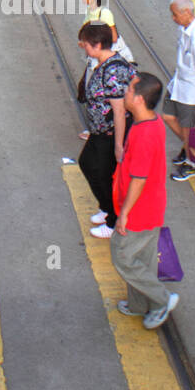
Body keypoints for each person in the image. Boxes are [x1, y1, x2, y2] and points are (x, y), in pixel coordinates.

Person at [110, 72, 179, 330]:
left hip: (140, 209)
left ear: (138, 99)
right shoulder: (151, 122)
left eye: (129, 89)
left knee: (123, 254)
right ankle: (141, 305)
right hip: (152, 204)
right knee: (144, 256)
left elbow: (139, 178)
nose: (125, 92)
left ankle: (162, 300)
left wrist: (124, 213)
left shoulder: (144, 134)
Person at [78, 22, 133, 239]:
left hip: (110, 134)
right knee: (87, 164)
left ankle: (112, 219)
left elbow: (119, 111)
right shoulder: (103, 63)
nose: (84, 48)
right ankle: (105, 207)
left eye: (86, 45)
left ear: (98, 44)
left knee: (102, 174)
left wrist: (119, 145)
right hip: (100, 131)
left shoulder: (114, 70)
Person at [160, 0, 195, 181]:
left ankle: (193, 163)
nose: (173, 18)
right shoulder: (184, 29)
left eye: (175, 15)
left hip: (192, 90)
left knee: (189, 127)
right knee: (167, 116)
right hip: (178, 83)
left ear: (187, 12)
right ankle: (187, 146)